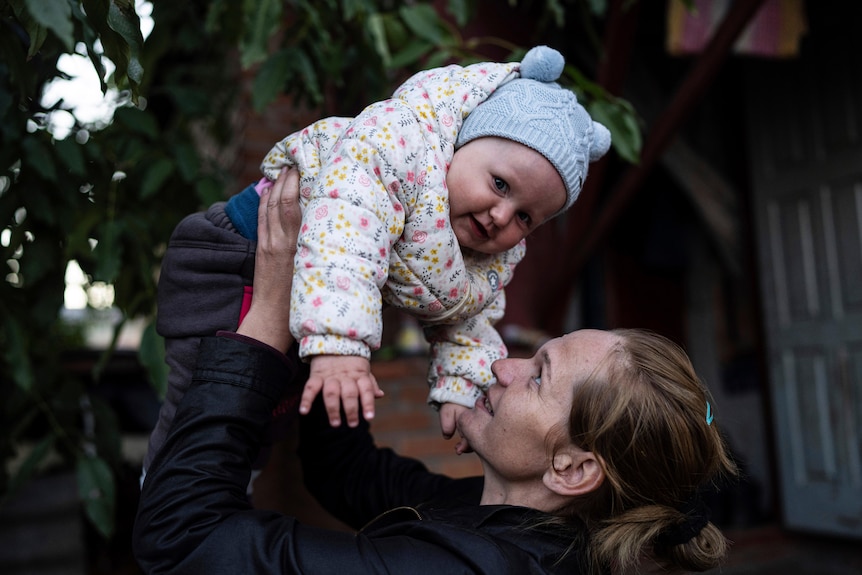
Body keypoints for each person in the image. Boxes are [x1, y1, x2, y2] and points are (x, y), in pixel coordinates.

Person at [133, 169, 739, 575]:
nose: (502, 365)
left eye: (537, 377)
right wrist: (339, 320)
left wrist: (267, 313)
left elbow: (180, 540)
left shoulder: (468, 565)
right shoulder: (514, 521)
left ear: (574, 467)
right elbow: (347, 473)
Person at [143, 45, 612, 477]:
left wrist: (463, 385)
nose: (501, 216)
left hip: (314, 293)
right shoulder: (397, 146)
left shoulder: (482, 249)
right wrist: (342, 346)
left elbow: (469, 313)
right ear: (461, 141)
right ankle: (165, 480)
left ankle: (226, 487)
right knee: (206, 394)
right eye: (501, 185)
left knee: (267, 411)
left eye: (525, 217)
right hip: (237, 258)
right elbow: (345, 236)